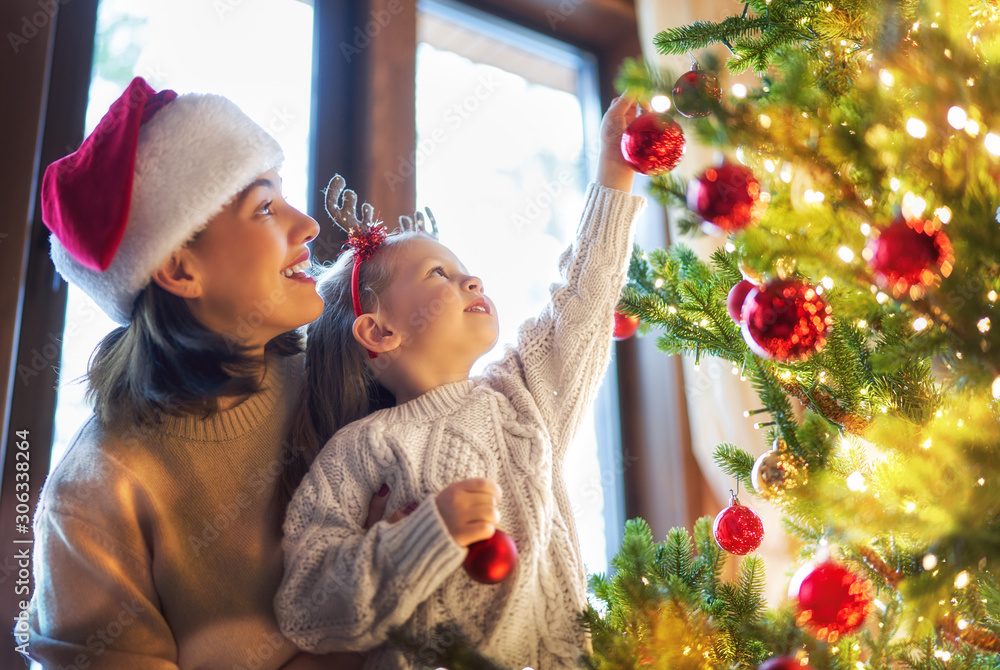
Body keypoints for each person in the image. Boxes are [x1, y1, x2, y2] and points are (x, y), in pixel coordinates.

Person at [274, 95, 646, 669]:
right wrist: (424, 536)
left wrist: (614, 173)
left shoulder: (521, 395)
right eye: (439, 273)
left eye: (464, 266)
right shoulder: (362, 447)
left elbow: (582, 303)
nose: (472, 278)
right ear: (380, 332)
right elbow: (305, 604)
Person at [23, 76, 375, 669]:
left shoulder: (339, 374)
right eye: (265, 207)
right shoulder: (92, 497)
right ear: (181, 269)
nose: (309, 225)